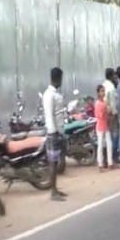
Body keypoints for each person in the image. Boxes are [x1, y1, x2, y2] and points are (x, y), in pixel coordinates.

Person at [43, 67, 67, 201]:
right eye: (61, 79)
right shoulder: (49, 95)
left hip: (59, 131)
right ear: (57, 78)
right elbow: (49, 116)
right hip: (54, 133)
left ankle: (56, 188)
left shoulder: (55, 94)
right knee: (53, 163)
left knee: (58, 162)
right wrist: (54, 132)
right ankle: (53, 192)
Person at [95, 85, 113, 171]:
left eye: (104, 91)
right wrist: (106, 109)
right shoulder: (98, 103)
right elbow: (100, 116)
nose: (103, 93)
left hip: (105, 126)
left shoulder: (103, 102)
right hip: (101, 126)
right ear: (98, 93)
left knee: (109, 144)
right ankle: (100, 164)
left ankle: (110, 163)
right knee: (101, 146)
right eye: (102, 91)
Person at [102, 68, 119, 162]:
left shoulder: (103, 85)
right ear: (111, 76)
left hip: (103, 114)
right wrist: (114, 114)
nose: (115, 77)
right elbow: (112, 103)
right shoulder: (111, 87)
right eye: (114, 75)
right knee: (114, 135)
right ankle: (114, 155)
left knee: (105, 136)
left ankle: (106, 157)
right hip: (111, 114)